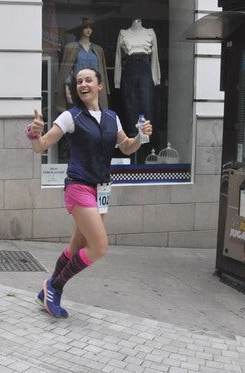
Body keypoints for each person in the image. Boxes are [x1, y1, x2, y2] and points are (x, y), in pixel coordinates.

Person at [26, 67, 152, 318]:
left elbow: (126, 147)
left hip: (101, 189)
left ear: (99, 86)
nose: (83, 84)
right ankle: (55, 286)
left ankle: (46, 290)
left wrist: (141, 136)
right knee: (99, 246)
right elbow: (40, 146)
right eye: (79, 81)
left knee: (77, 246)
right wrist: (33, 132)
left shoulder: (111, 117)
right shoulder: (70, 117)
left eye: (88, 80)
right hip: (78, 186)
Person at [55, 18, 109, 117]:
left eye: (90, 28)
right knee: (78, 115)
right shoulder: (71, 48)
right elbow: (67, 71)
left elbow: (102, 72)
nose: (88, 30)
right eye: (85, 28)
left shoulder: (98, 49)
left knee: (95, 114)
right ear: (80, 30)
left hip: (94, 88)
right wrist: (67, 89)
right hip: (79, 87)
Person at [114, 19, 161, 130]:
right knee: (130, 102)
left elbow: (155, 56)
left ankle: (145, 135)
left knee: (146, 103)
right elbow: (118, 57)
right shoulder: (123, 34)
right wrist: (117, 80)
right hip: (129, 68)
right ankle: (132, 133)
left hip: (145, 68)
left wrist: (156, 78)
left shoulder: (150, 33)